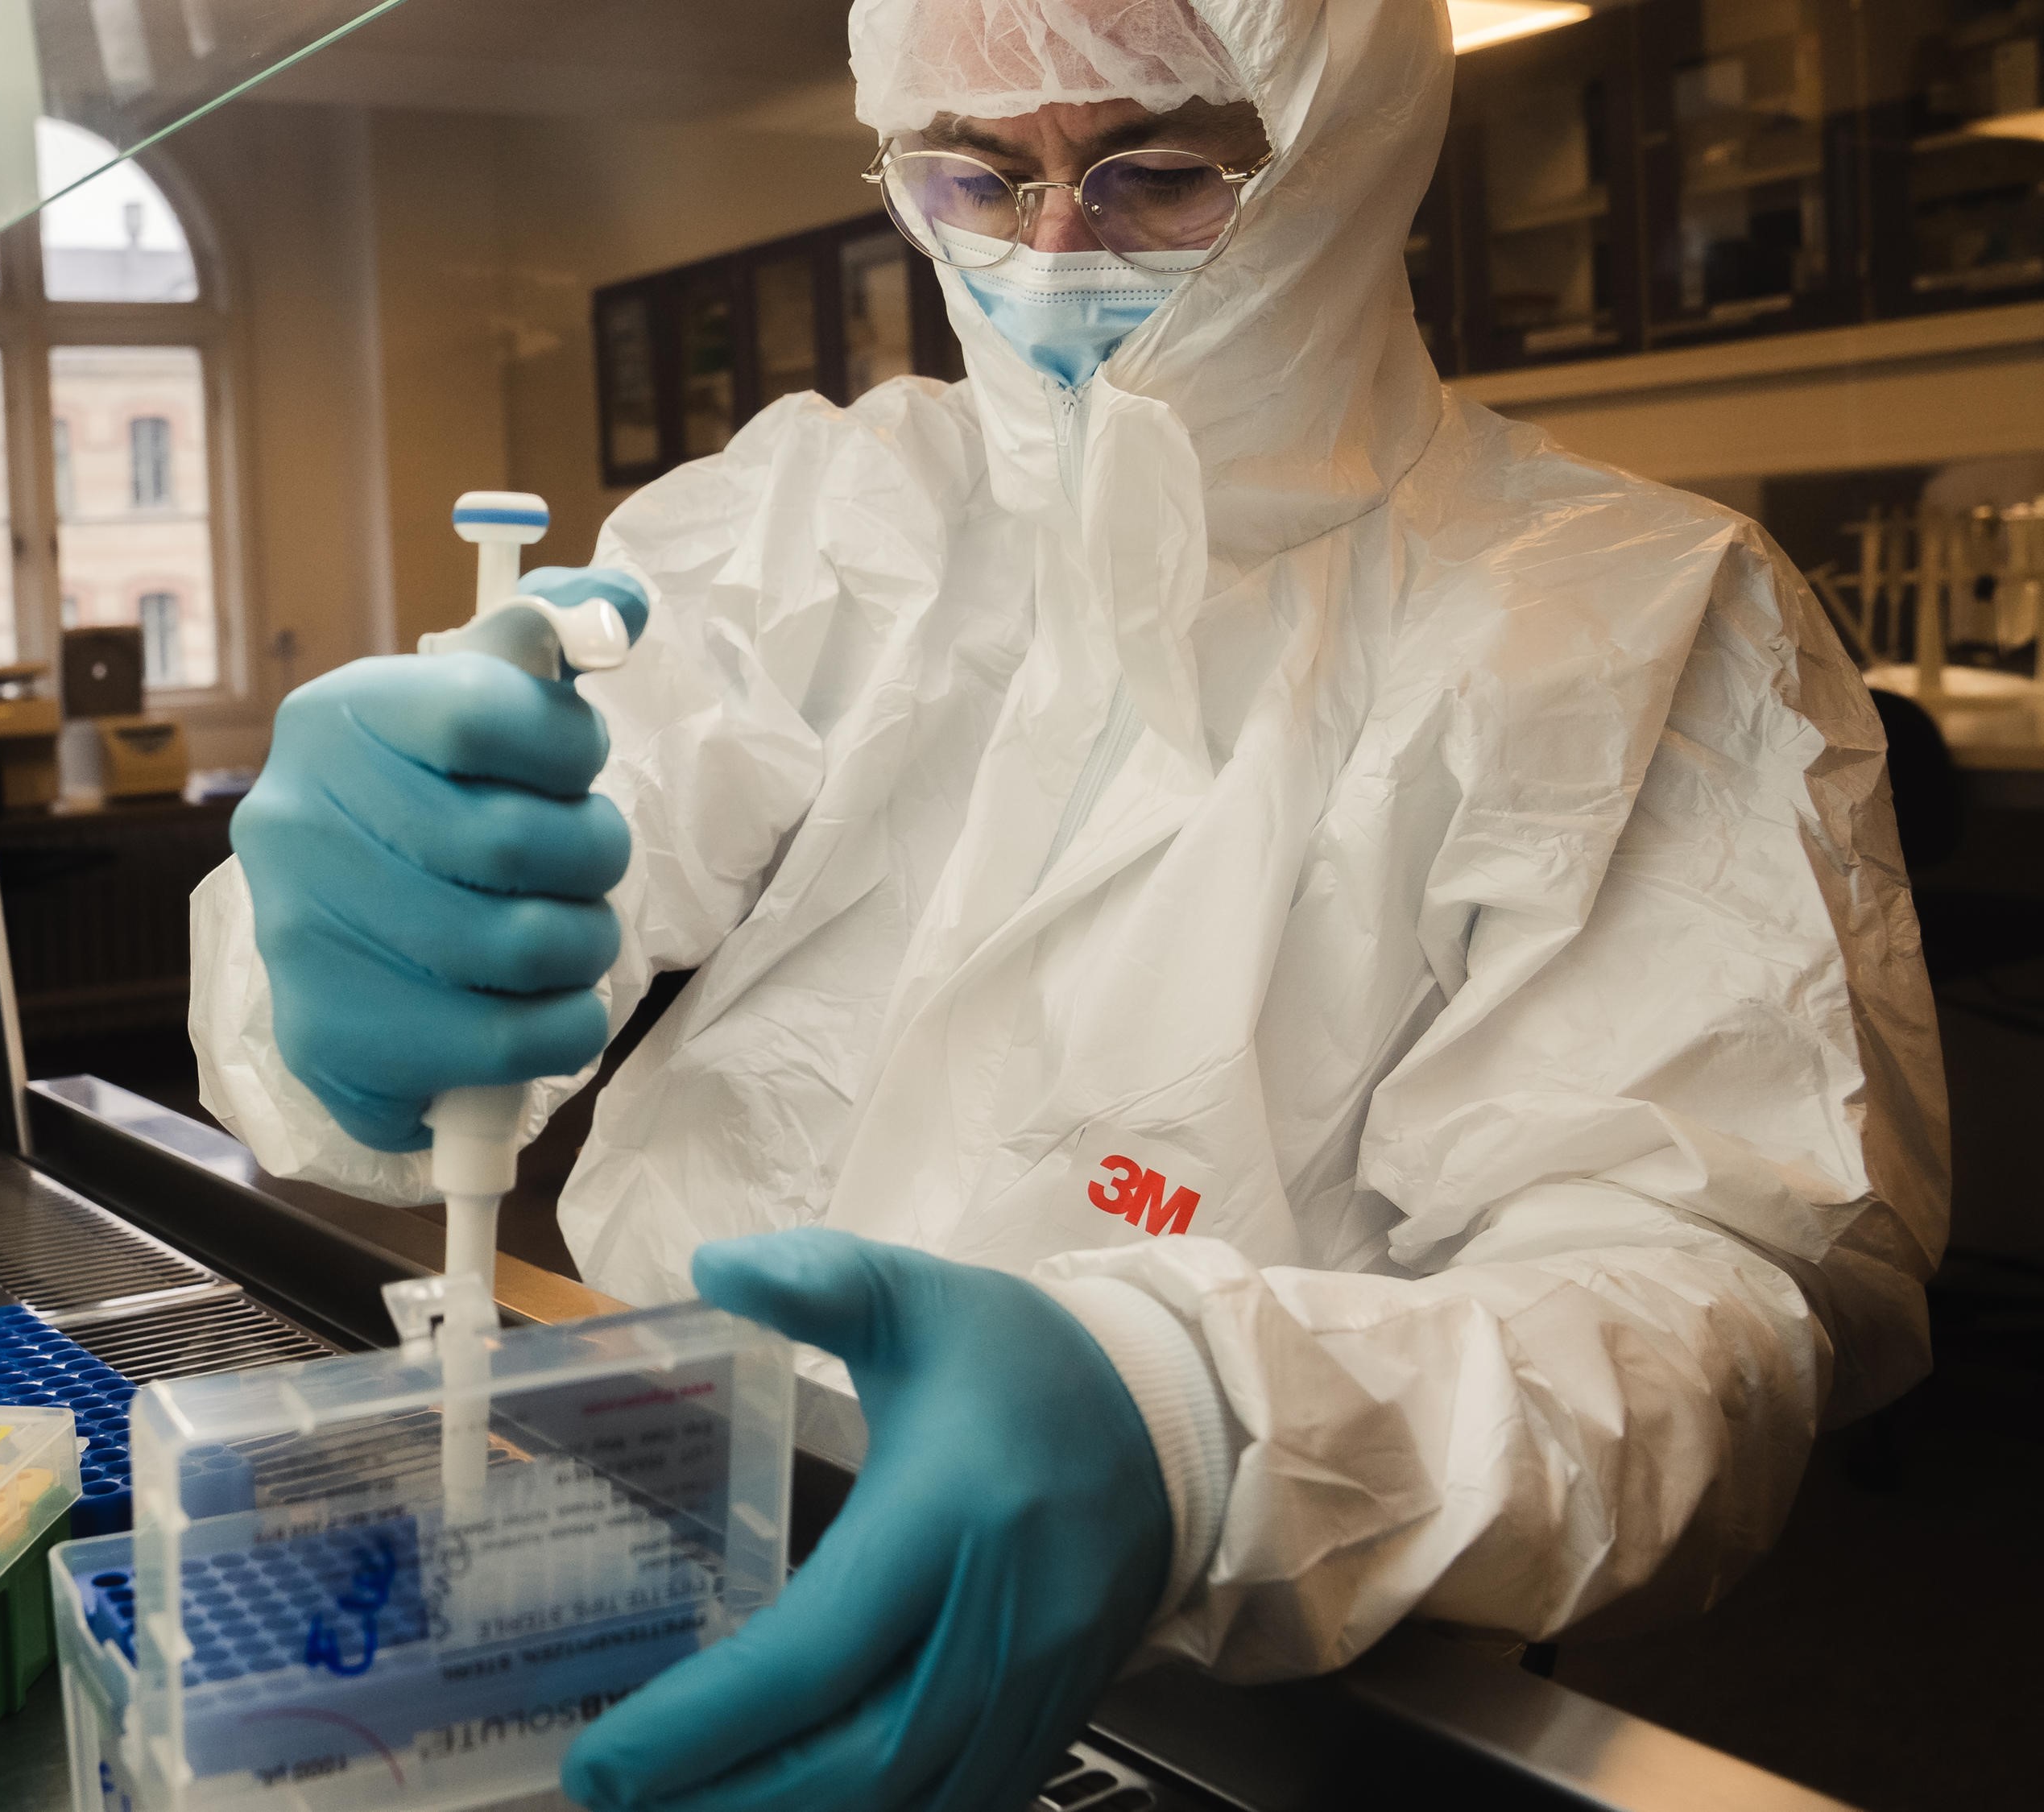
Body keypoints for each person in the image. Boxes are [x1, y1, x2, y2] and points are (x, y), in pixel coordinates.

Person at [190, 0, 1949, 1806]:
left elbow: (1692, 1301)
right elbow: (541, 809)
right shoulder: (828, 512)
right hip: (678, 1531)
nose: (1049, 249)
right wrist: (346, 944)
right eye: (977, 172)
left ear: (1337, 156)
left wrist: (1196, 1426)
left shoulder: (1629, 620)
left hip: (1228, 1670)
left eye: (1157, 173)